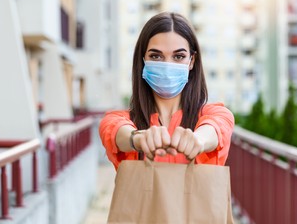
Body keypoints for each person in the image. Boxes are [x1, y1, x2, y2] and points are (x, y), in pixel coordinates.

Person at [99, 12, 234, 170]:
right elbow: (113, 130)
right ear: (143, 61)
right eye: (156, 56)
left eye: (178, 56)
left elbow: (217, 128)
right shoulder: (121, 120)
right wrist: (137, 139)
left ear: (192, 61)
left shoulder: (215, 114)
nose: (168, 65)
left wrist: (198, 140)